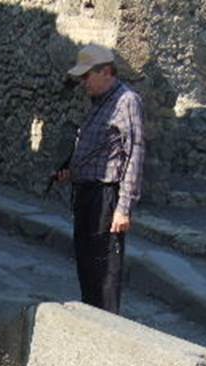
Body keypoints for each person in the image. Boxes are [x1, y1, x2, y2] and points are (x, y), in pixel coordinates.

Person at [56, 44, 144, 314]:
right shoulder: (99, 102)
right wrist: (72, 170)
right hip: (87, 191)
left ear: (106, 71)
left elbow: (134, 153)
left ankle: (107, 324)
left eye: (87, 76)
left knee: (104, 267)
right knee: (86, 260)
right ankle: (91, 317)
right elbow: (101, 148)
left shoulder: (127, 100)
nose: (84, 83)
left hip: (106, 196)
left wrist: (124, 208)